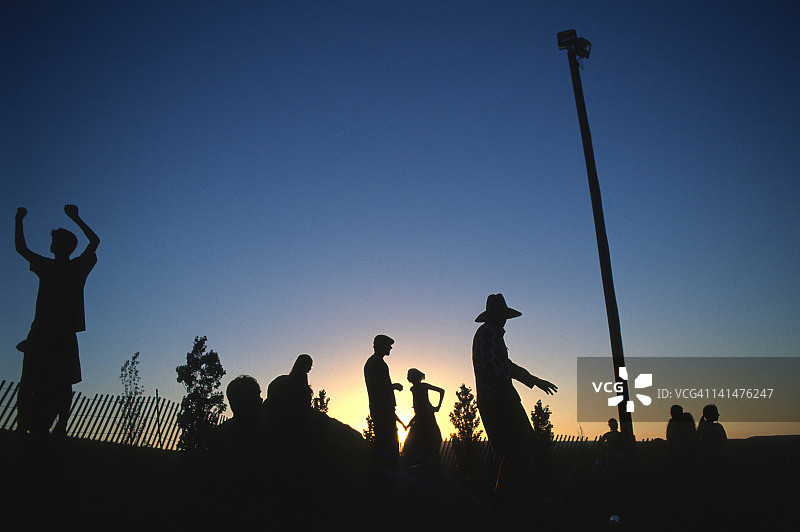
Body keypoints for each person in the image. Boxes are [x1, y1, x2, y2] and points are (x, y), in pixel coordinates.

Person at [14, 205, 99, 438]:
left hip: (59, 332)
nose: (52, 243)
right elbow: (21, 248)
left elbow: (94, 241)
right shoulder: (49, 266)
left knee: (59, 380)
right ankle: (26, 424)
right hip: (42, 331)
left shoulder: (75, 267)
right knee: (34, 378)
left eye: (56, 240)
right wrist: (18, 220)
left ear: (63, 245)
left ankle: (59, 424)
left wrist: (77, 218)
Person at [472, 293, 557, 495]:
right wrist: (509, 397)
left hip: (496, 400)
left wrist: (534, 381)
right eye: (503, 316)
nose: (504, 321)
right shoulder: (489, 333)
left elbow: (505, 366)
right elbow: (496, 369)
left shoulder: (489, 334)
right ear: (497, 316)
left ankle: (504, 494)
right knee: (522, 445)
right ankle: (506, 495)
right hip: (500, 400)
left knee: (514, 449)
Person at [364, 334, 405, 467]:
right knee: (385, 438)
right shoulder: (373, 363)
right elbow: (375, 386)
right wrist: (393, 386)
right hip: (381, 408)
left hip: (385, 408)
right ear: (380, 346)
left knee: (390, 437)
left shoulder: (380, 363)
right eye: (388, 346)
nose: (390, 348)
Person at [402, 368, 444, 467]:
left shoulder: (424, 386)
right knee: (412, 444)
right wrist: (409, 423)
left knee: (430, 440)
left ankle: (431, 463)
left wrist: (438, 406)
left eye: (410, 375)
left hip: (427, 417)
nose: (408, 378)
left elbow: (441, 391)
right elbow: (418, 410)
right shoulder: (412, 389)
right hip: (420, 418)